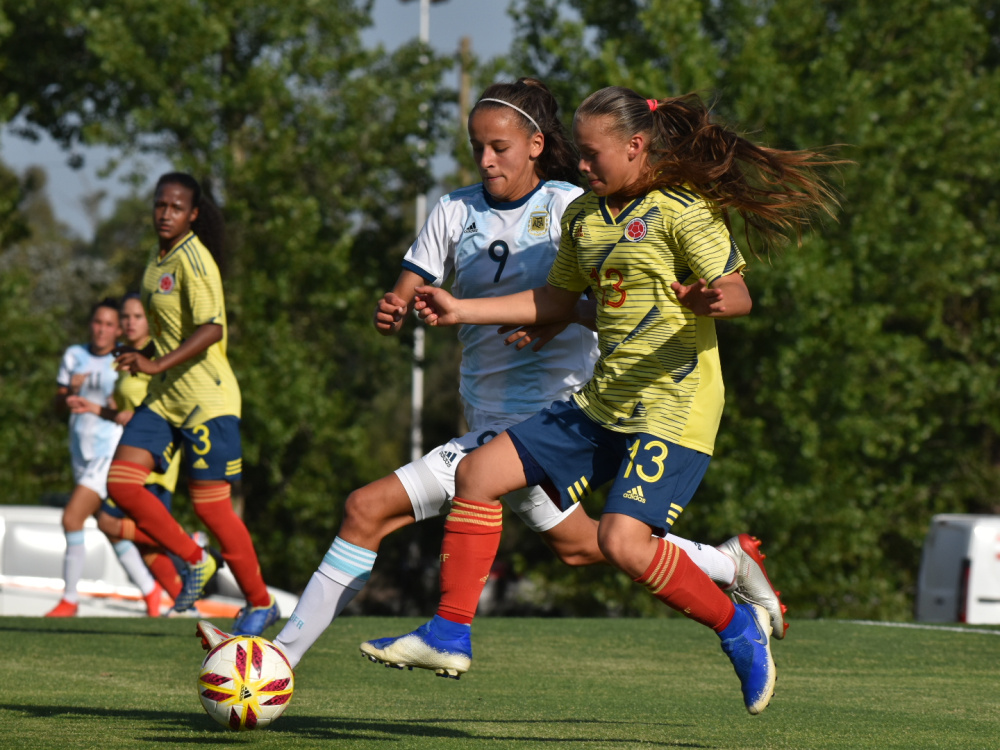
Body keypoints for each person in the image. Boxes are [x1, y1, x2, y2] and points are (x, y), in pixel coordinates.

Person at [195, 79, 784, 670]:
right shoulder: (461, 208)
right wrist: (416, 306)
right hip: (507, 410)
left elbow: (604, 302)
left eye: (498, 146)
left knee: (367, 508)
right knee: (588, 545)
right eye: (477, 146)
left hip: (553, 408)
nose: (485, 159)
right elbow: (503, 292)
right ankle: (728, 563)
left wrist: (672, 303)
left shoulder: (567, 205)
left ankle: (288, 656)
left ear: (535, 144)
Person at [361, 87, 842, 715]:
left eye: (591, 155)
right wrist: (460, 309)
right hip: (604, 398)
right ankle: (448, 633)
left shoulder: (681, 210)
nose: (580, 166)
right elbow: (556, 304)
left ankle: (736, 627)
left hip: (675, 401)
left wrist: (713, 300)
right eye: (579, 156)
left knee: (619, 542)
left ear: (636, 147)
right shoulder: (583, 217)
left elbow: (736, 292)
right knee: (478, 475)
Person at [105, 172, 277, 635]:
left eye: (176, 207)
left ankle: (261, 602)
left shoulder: (195, 260)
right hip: (165, 399)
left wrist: (156, 366)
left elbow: (211, 330)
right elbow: (169, 330)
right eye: (160, 205)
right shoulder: (157, 256)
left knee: (212, 510)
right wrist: (144, 355)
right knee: (121, 485)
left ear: (193, 214)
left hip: (206, 401)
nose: (166, 213)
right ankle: (194, 559)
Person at [95, 293, 186, 610]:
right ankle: (185, 604)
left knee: (107, 520)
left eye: (137, 316)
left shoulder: (160, 356)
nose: (129, 322)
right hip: (130, 453)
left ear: (151, 321)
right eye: (126, 317)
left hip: (152, 457)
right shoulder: (124, 357)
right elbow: (123, 407)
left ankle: (189, 545)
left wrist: (138, 415)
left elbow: (168, 401)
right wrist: (98, 408)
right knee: (144, 546)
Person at [46, 298, 132, 617]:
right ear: (90, 324)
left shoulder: (124, 359)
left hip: (108, 451)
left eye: (110, 324)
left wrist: (113, 404)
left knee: (71, 518)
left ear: (119, 329)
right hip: (80, 453)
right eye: (98, 322)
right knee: (107, 524)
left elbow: (128, 412)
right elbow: (57, 406)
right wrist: (68, 391)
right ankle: (152, 593)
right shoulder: (74, 355)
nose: (102, 329)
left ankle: (69, 599)